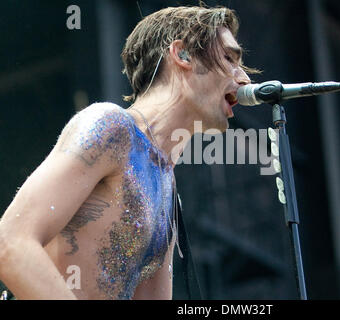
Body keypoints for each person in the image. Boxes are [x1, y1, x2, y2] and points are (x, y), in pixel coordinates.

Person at [0, 5, 258, 299]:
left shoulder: (169, 192)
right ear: (182, 54)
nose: (244, 79)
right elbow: (11, 242)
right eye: (229, 58)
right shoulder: (112, 128)